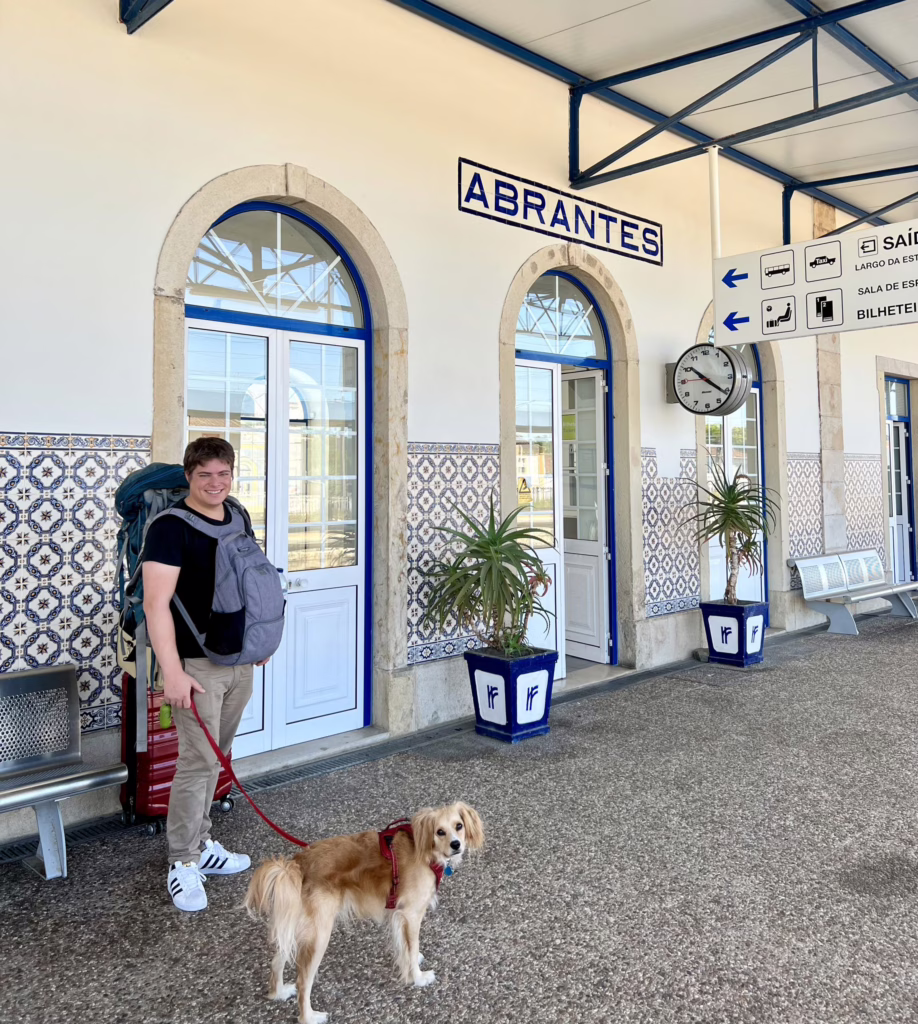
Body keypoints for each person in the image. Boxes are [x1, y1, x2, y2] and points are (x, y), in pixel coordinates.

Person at [143, 436, 268, 912]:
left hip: (238, 660)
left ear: (232, 474)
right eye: (204, 476)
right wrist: (171, 672)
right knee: (197, 763)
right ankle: (182, 862)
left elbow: (249, 582)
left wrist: (258, 641)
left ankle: (204, 845)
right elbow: (156, 606)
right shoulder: (169, 528)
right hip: (195, 667)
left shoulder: (237, 514)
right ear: (189, 477)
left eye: (223, 474)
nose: (215, 483)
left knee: (218, 756)